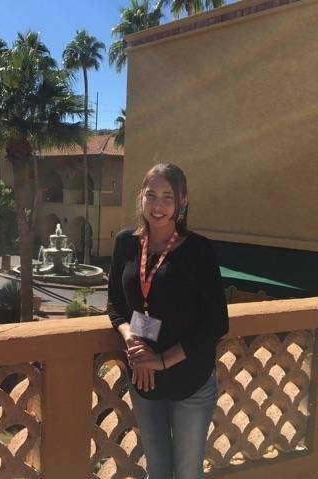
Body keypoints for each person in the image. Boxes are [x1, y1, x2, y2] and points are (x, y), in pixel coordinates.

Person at [107, 163, 229, 479]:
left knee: (187, 473)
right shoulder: (125, 243)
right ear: (141, 198)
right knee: (158, 471)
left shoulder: (198, 250)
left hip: (190, 377)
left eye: (167, 197)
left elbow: (216, 324)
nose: (158, 206)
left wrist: (161, 360)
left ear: (183, 202)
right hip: (143, 377)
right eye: (151, 195)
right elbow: (116, 306)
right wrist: (132, 342)